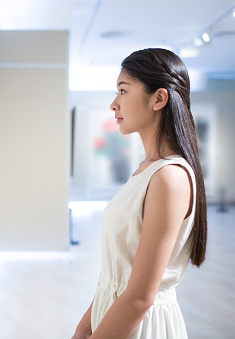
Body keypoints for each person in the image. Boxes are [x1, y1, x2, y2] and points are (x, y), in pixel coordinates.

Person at [72, 48, 207, 339]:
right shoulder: (149, 169)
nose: (113, 104)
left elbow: (139, 297)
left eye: (123, 90)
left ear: (159, 98)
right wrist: (84, 329)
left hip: (140, 326)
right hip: (115, 317)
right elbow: (119, 278)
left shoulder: (169, 177)